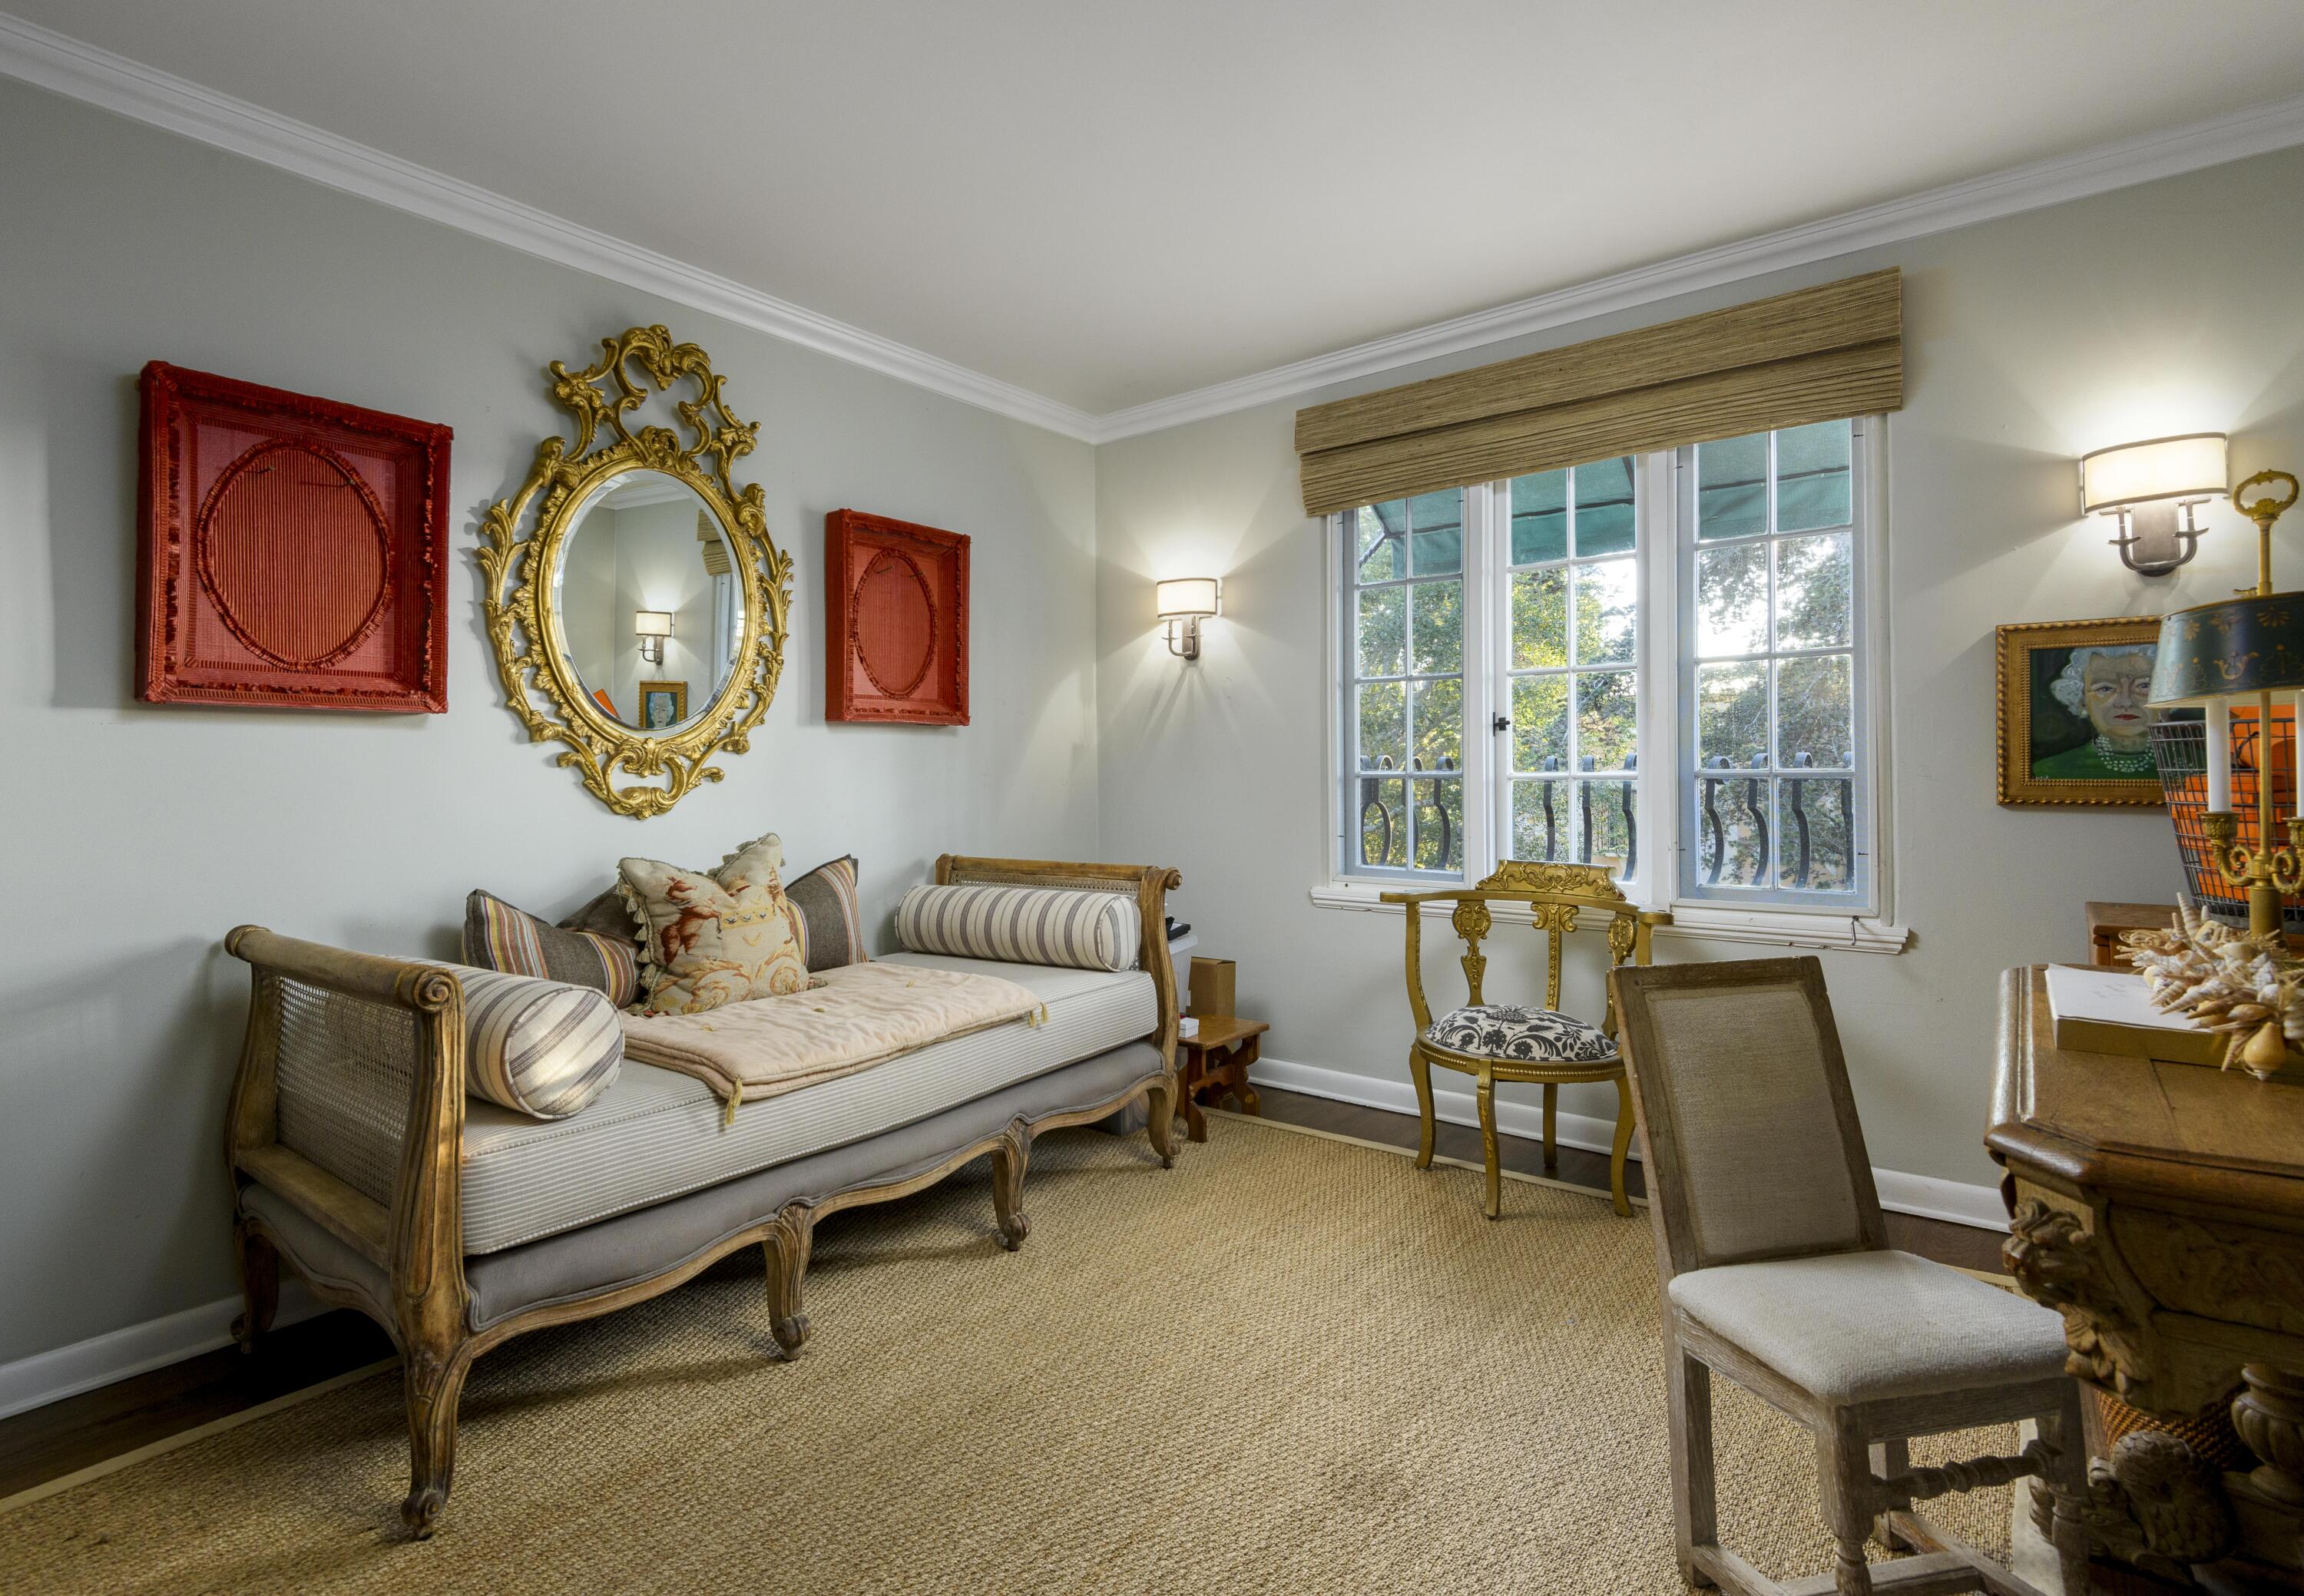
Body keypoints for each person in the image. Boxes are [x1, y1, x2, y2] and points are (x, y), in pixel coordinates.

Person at [2033, 645, 2156, 779]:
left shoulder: (2182, 763)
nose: (2126, 702)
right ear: (2082, 701)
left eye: (2144, 685)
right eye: (2105, 688)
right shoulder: (2050, 770)